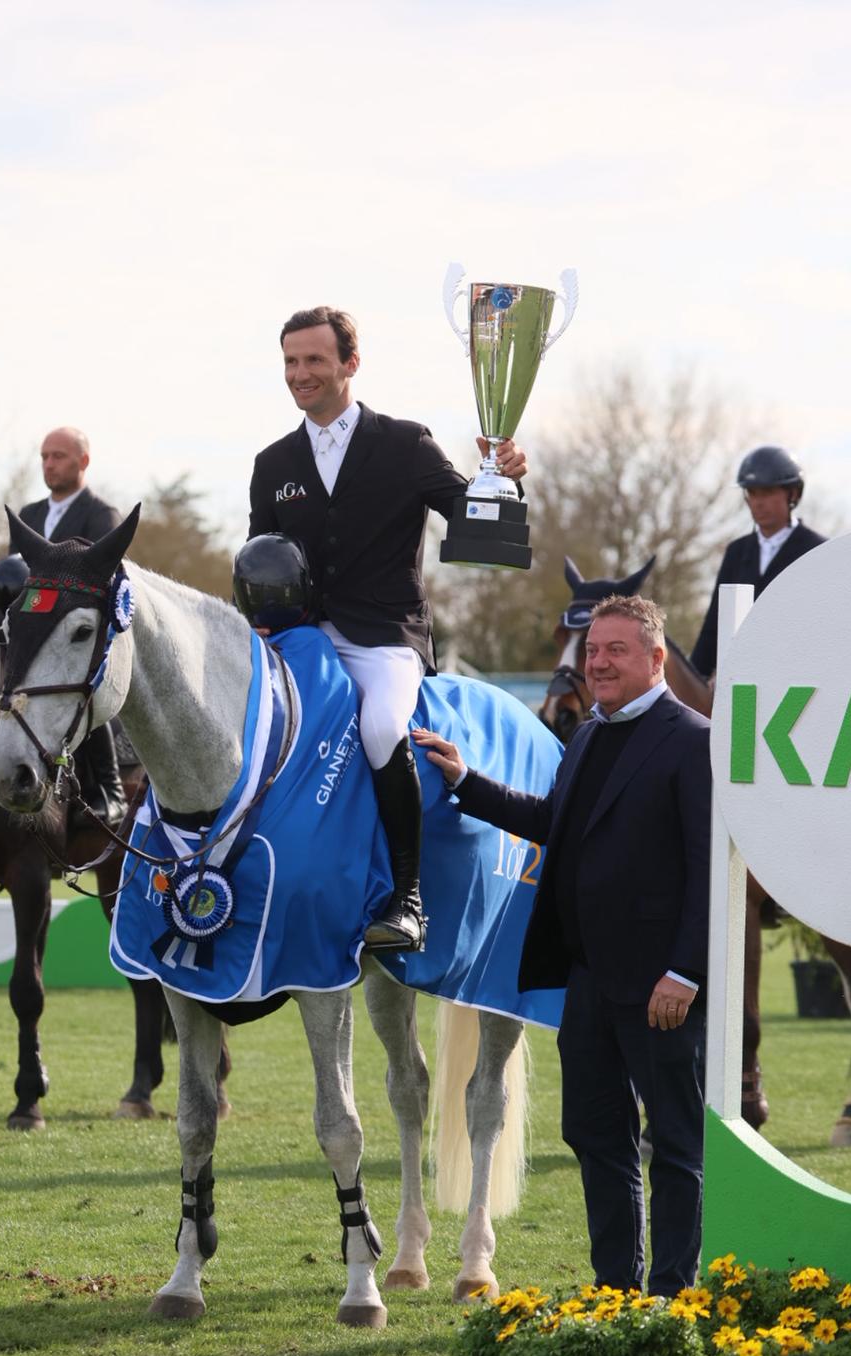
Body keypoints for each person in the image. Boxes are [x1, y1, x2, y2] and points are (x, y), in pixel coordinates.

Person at [414, 594, 711, 1294]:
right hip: (587, 981)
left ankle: (671, 1294)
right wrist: (465, 782)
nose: (598, 664)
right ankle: (616, 1291)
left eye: (616, 651)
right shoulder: (585, 737)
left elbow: (709, 869)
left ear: (656, 659)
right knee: (594, 1136)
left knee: (674, 1142)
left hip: (662, 989)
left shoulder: (693, 739)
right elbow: (552, 821)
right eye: (592, 651)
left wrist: (687, 971)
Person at [246, 305, 526, 953]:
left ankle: (408, 899)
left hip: (384, 638)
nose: (300, 373)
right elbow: (258, 561)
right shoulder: (272, 464)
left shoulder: (404, 443)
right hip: (301, 641)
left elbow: (473, 520)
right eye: (291, 361)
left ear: (350, 363)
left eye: (315, 359)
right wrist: (256, 626)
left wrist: (502, 481)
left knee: (379, 727)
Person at [12, 425, 126, 824]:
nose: (49, 464)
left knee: (87, 691)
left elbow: (103, 582)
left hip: (79, 635)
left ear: (84, 461)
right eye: (44, 456)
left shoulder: (101, 515)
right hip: (32, 633)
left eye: (58, 456)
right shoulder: (29, 515)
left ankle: (110, 790)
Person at [690, 445, 825, 679]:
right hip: (740, 678)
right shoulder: (736, 551)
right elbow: (714, 624)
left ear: (792, 494)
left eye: (767, 492)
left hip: (796, 677)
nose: (758, 502)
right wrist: (692, 681)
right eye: (752, 493)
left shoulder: (817, 549)